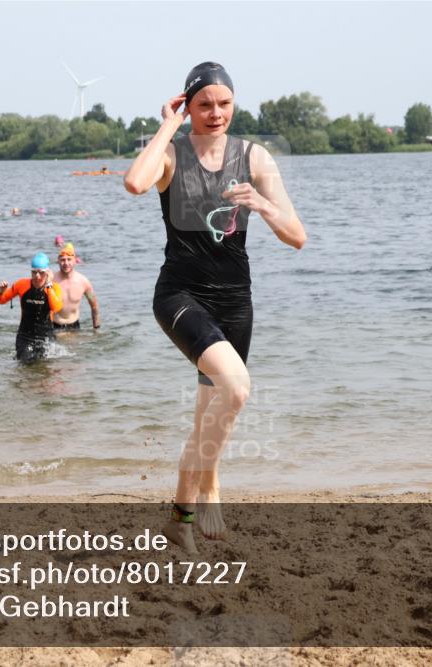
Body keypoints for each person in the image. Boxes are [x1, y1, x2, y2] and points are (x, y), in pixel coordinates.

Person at [124, 62, 306, 553]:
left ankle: (185, 512)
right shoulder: (171, 155)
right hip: (180, 296)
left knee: (209, 412)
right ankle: (203, 490)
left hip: (235, 301)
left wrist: (262, 205)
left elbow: (297, 236)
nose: (216, 113)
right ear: (188, 107)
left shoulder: (254, 157)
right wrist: (169, 126)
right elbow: (135, 183)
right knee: (237, 388)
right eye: (204, 104)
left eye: (224, 103)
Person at [0, 252, 63, 362]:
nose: (37, 276)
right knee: (26, 363)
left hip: (46, 337)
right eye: (34, 272)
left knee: (45, 368)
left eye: (41, 273)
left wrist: (49, 285)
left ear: (48, 273)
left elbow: (56, 307)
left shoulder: (54, 288)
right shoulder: (21, 285)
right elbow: (1, 300)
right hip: (25, 337)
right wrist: (0, 292)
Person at [53, 243, 100, 331]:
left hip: (74, 327)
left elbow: (94, 306)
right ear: (58, 261)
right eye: (63, 260)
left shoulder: (84, 282)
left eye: (69, 259)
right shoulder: (51, 280)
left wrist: (96, 330)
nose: (66, 263)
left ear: (75, 260)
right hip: (54, 326)